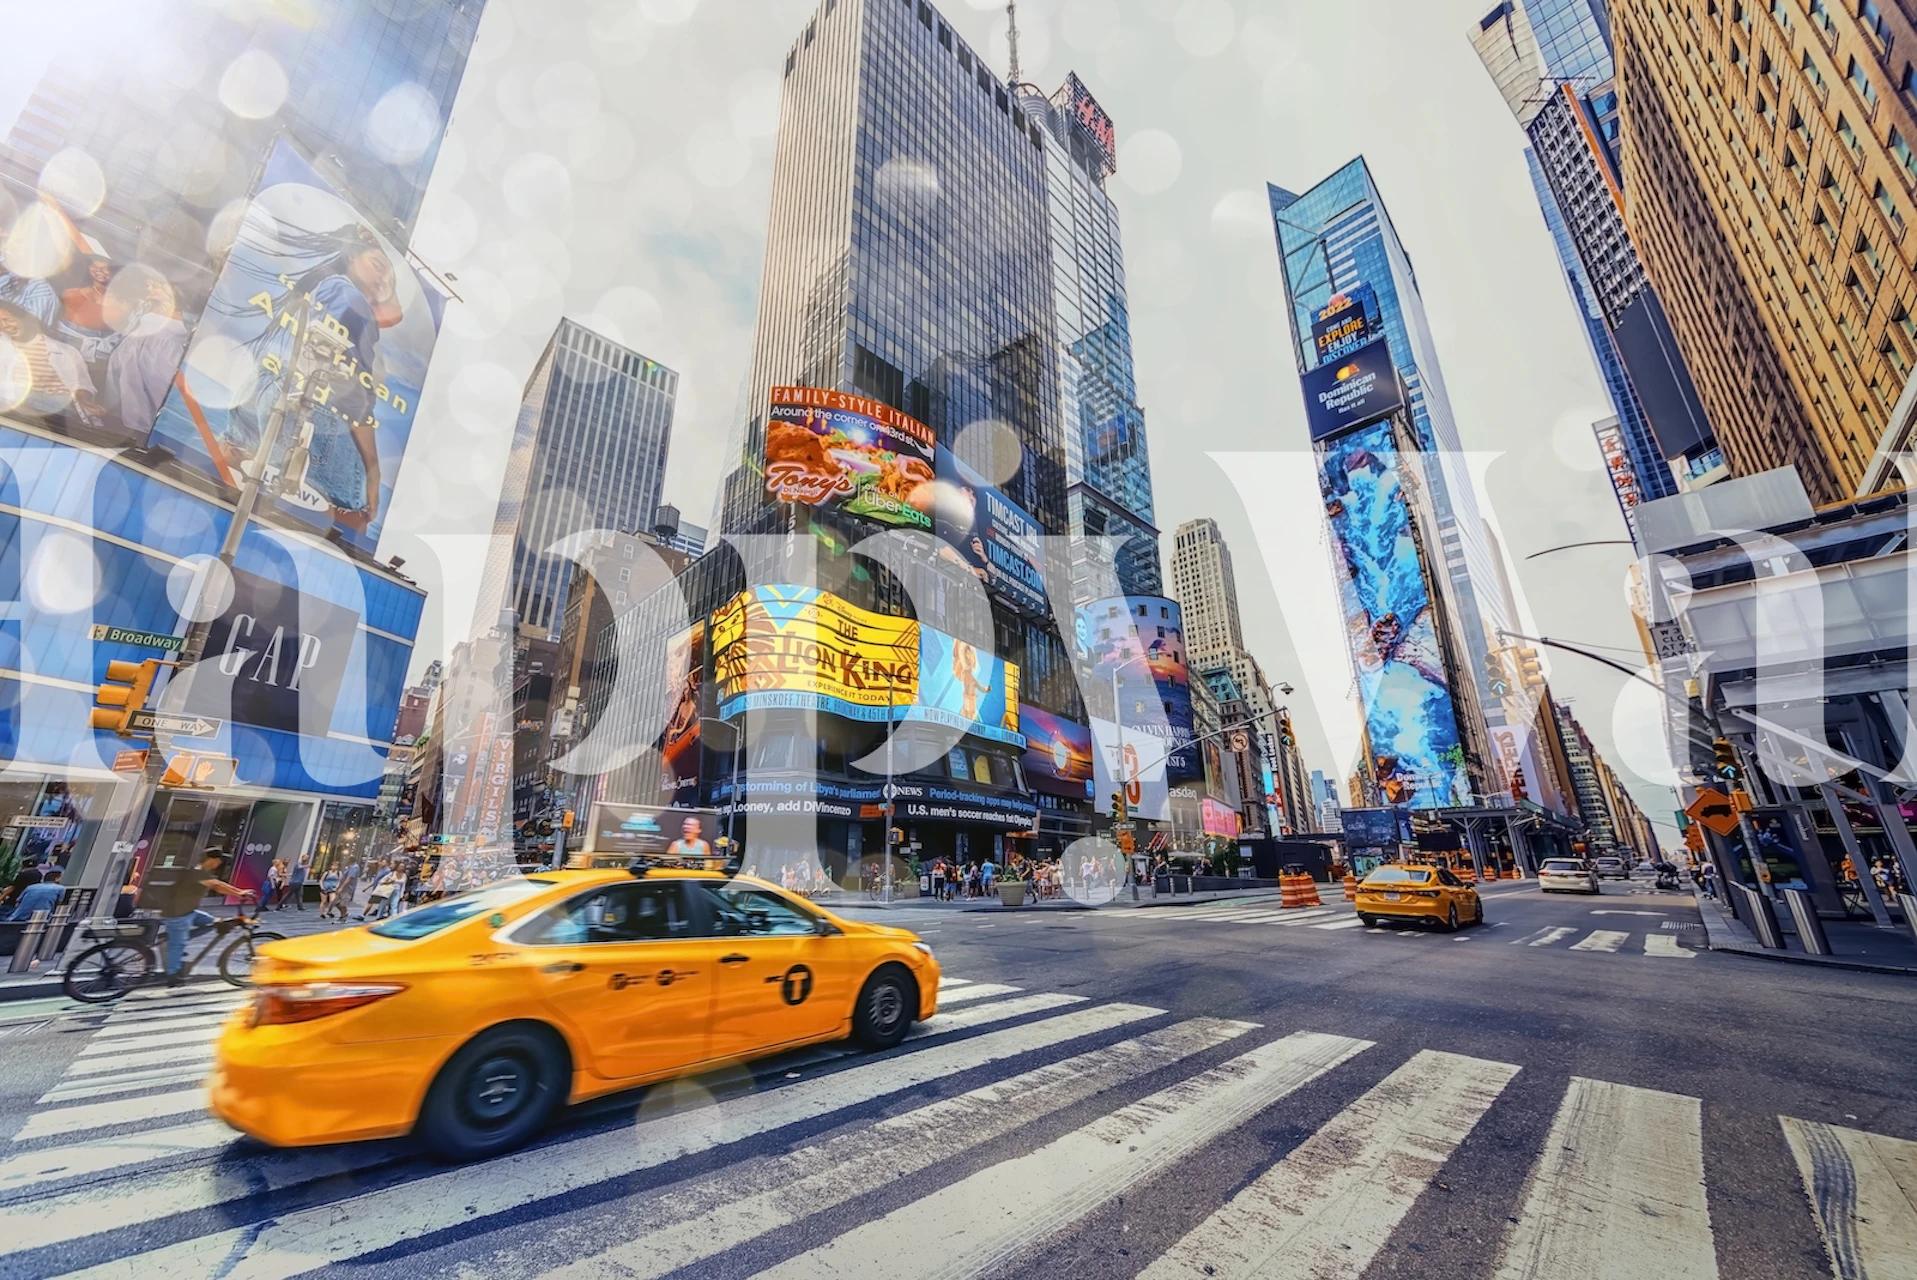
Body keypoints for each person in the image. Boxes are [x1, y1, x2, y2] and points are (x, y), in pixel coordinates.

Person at [0, 299, 105, 425]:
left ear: (24, 318)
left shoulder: (66, 352)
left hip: (59, 415)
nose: (5, 326)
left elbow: (82, 385)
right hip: (17, 414)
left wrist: (84, 400)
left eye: (9, 320)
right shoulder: (3, 348)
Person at [160, 851, 251, 986]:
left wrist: (239, 891)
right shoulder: (196, 872)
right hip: (177, 915)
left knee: (214, 922)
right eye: (218, 860)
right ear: (210, 859)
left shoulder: (202, 872)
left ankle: (174, 937)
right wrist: (239, 893)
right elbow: (217, 886)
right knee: (177, 945)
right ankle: (173, 975)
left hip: (190, 912)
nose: (219, 863)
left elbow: (218, 883)